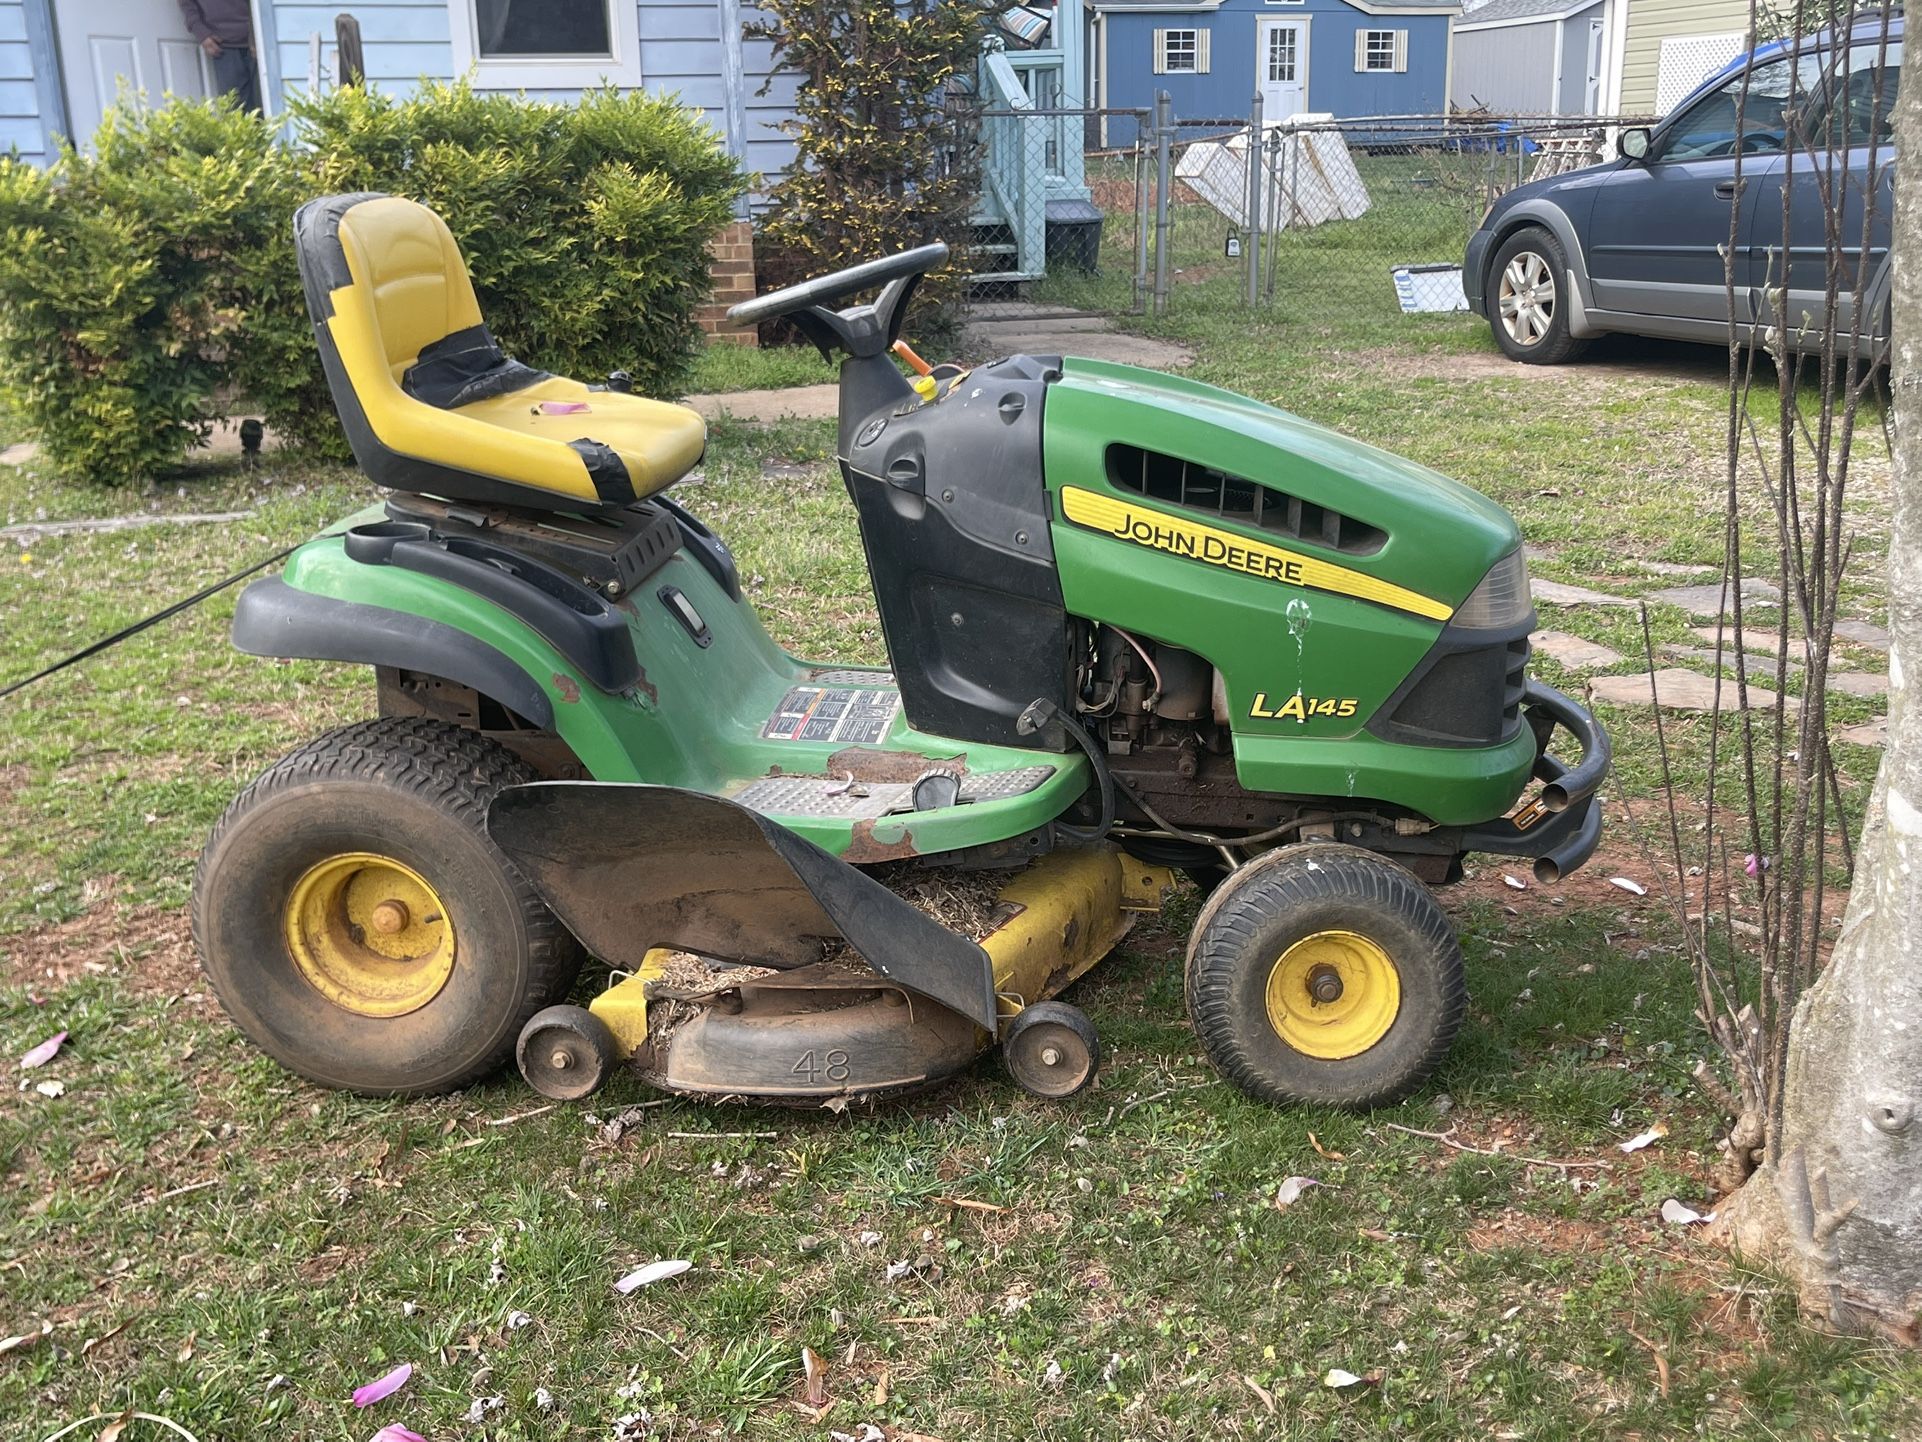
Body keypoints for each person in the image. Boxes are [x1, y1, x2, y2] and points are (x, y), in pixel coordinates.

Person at [176, 0, 259, 113]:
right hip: (224, 46)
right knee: (236, 111)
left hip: (260, 38)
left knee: (271, 107)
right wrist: (200, 31)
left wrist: (255, 33)